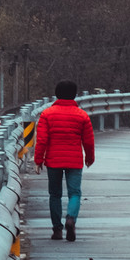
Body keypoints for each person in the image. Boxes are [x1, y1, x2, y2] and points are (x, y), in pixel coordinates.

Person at [33, 79, 95, 241]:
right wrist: (89, 158)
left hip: (53, 160)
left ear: (57, 94)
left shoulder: (47, 114)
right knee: (74, 193)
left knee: (55, 194)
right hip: (74, 160)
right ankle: (71, 219)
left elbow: (42, 140)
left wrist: (38, 160)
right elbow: (88, 141)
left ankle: (57, 230)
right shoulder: (82, 116)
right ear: (74, 95)